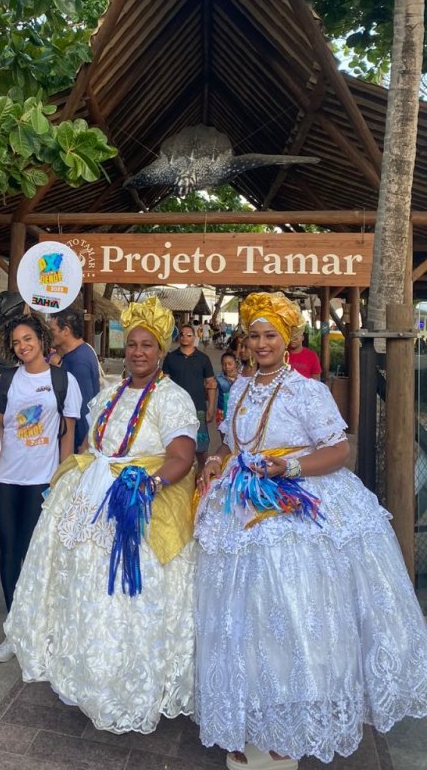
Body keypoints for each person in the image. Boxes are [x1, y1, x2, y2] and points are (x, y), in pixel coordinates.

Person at [194, 291, 427, 769]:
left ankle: (292, 724)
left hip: (299, 506)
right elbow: (228, 438)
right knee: (241, 621)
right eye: (254, 335)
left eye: (270, 336)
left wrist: (289, 470)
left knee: (290, 617)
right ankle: (248, 719)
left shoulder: (307, 390)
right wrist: (216, 459)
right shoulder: (238, 387)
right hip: (240, 508)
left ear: (288, 340)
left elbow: (337, 451)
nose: (261, 344)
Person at [3, 296, 199, 734]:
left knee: (128, 591)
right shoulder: (110, 394)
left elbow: (182, 455)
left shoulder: (172, 398)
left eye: (147, 345)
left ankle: (129, 679)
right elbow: (93, 445)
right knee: (82, 585)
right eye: (132, 345)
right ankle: (88, 670)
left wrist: (149, 486)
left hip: (141, 499)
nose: (138, 352)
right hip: (95, 494)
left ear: (161, 350)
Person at [0, 313, 82, 663]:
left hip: (42, 479)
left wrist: (63, 476)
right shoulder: (6, 380)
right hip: (4, 477)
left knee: (37, 554)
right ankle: (14, 630)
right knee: (10, 552)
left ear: (42, 339)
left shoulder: (63, 380)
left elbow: (68, 433)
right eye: (16, 342)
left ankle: (40, 628)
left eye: (28, 338)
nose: (23, 346)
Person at [162, 322, 216, 462]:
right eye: (182, 334)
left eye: (189, 335)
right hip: (175, 410)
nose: (185, 337)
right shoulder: (170, 358)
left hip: (198, 408)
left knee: (201, 447)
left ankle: (203, 473)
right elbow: (165, 385)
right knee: (176, 445)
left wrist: (210, 407)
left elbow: (211, 384)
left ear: (194, 337)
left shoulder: (203, 359)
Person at [49, 309, 101, 452]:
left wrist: (81, 446)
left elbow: (84, 406)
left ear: (66, 330)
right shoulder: (80, 353)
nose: (50, 334)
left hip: (76, 442)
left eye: (52, 330)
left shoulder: (78, 361)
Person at [214, 351, 238, 427]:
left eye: (230, 364)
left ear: (236, 364)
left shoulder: (241, 378)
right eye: (224, 364)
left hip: (236, 412)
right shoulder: (219, 378)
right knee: (223, 435)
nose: (227, 367)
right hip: (221, 411)